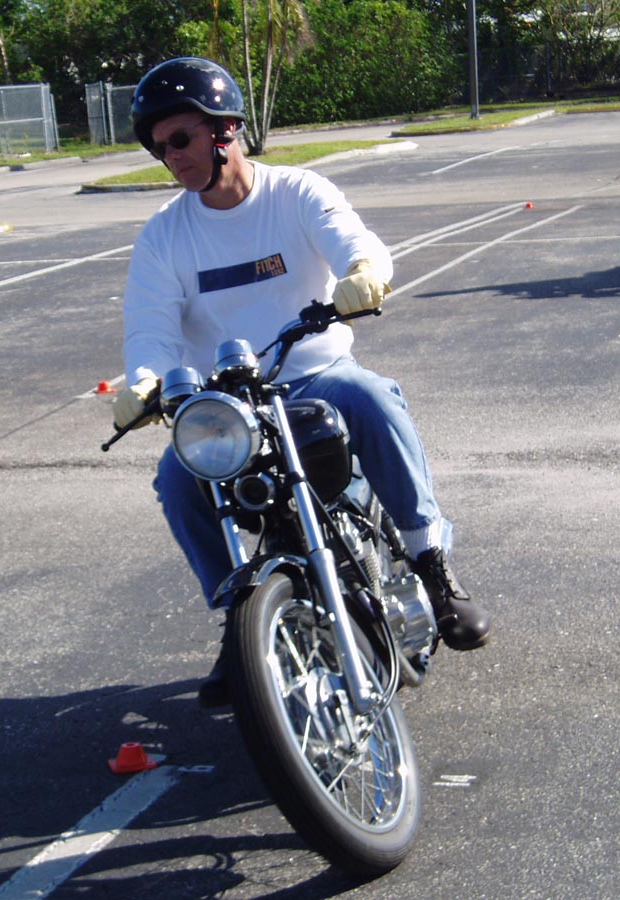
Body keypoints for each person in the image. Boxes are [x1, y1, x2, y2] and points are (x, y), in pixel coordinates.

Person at [112, 57, 491, 707]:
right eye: (158, 146)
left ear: (225, 129)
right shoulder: (163, 236)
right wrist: (144, 380)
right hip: (233, 403)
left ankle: (432, 564)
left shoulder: (296, 192)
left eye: (179, 138)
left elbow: (353, 242)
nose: (170, 156)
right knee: (176, 475)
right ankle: (240, 616)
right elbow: (150, 327)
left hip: (318, 376)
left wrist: (365, 271)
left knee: (372, 397)